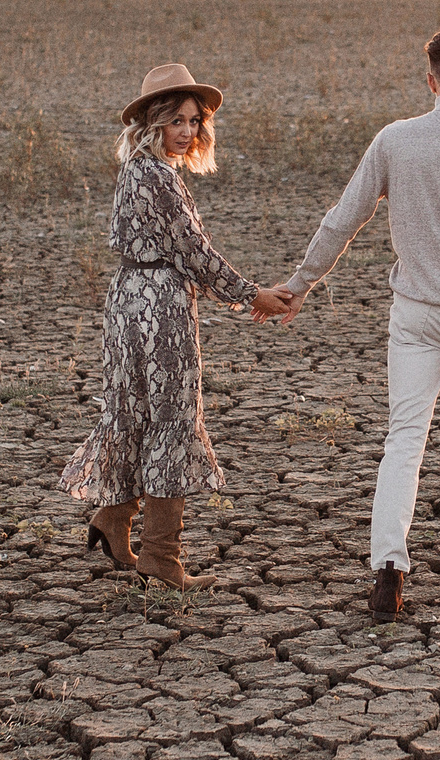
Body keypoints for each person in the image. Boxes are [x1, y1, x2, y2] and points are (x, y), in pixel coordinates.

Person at [273, 26, 440, 618]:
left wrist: (299, 283)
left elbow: (345, 218)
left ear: (431, 79)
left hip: (416, 313)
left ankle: (388, 572)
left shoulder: (396, 140)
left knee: (405, 439)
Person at [63, 63, 291, 590]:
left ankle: (113, 519)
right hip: (159, 306)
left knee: (131, 410)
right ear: (152, 123)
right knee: (172, 418)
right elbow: (195, 252)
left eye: (195, 121)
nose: (188, 131)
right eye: (176, 121)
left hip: (126, 301)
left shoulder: (139, 171)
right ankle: (161, 558)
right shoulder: (158, 177)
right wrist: (250, 293)